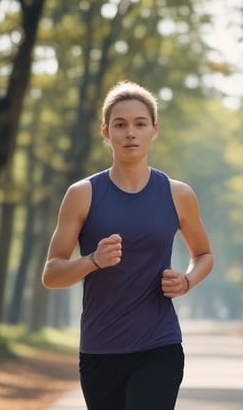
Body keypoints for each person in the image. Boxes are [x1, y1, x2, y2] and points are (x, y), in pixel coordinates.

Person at [41, 80, 215, 410]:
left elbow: (204, 254)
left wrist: (187, 280)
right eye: (120, 125)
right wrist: (92, 260)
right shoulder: (82, 195)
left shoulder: (178, 195)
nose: (130, 133)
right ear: (106, 132)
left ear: (154, 130)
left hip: (159, 345)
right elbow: (51, 274)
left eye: (140, 124)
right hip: (99, 349)